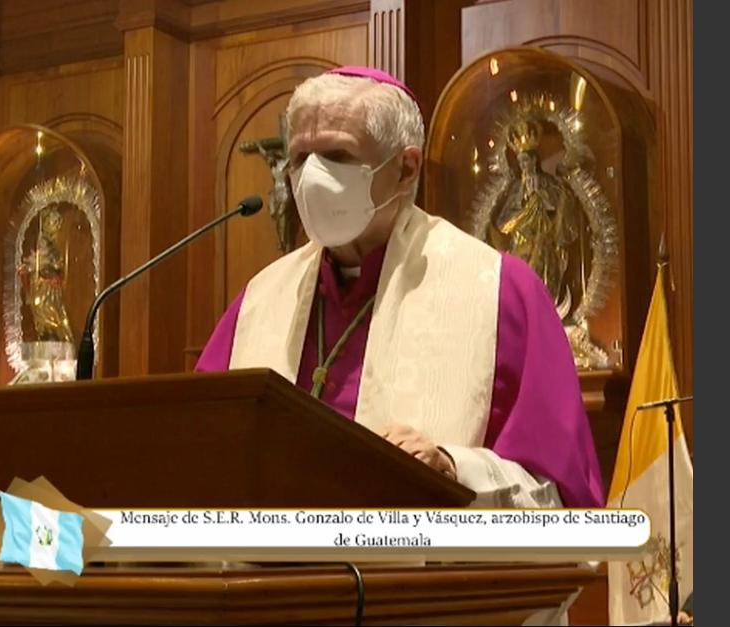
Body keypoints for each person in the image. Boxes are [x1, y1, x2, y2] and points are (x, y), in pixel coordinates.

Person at [195, 66, 604, 509]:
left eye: (337, 155)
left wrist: (452, 468)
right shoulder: (260, 300)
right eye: (298, 158)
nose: (311, 177)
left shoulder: (501, 293)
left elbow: (561, 500)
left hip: (419, 574)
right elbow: (198, 458)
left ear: (406, 169)